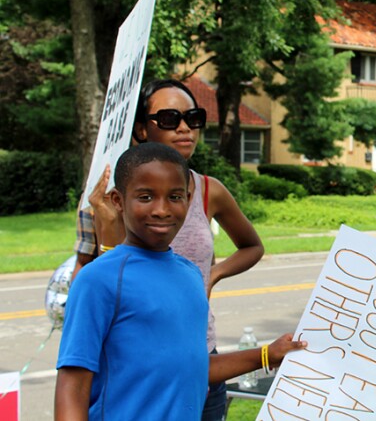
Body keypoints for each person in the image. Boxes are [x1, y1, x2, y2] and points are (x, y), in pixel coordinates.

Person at [55, 143, 305, 420]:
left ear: (188, 199)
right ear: (117, 201)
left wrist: (267, 354)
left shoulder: (190, 275)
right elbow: (73, 384)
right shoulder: (98, 280)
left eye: (174, 197)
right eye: (146, 197)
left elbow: (195, 367)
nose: (162, 210)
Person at [72, 78, 264, 420]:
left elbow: (252, 246)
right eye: (169, 118)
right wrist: (107, 226)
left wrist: (211, 275)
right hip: (133, 370)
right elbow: (97, 283)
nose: (184, 128)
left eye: (193, 118)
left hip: (198, 358)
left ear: (187, 199)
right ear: (142, 129)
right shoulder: (103, 199)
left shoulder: (207, 195)